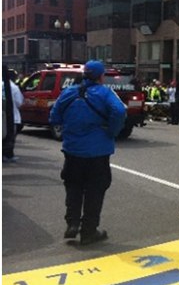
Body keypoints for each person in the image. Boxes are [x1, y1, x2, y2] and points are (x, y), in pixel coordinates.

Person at [49, 60, 126, 245]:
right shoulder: (105, 93)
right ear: (101, 76)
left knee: (73, 186)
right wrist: (112, 131)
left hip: (72, 150)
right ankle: (89, 231)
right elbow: (119, 111)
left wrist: (70, 125)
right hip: (98, 151)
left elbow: (54, 117)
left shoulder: (69, 92)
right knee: (95, 190)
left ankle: (72, 223)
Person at [2, 75, 24, 163]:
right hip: (12, 117)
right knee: (10, 137)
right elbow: (19, 102)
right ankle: (7, 155)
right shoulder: (14, 88)